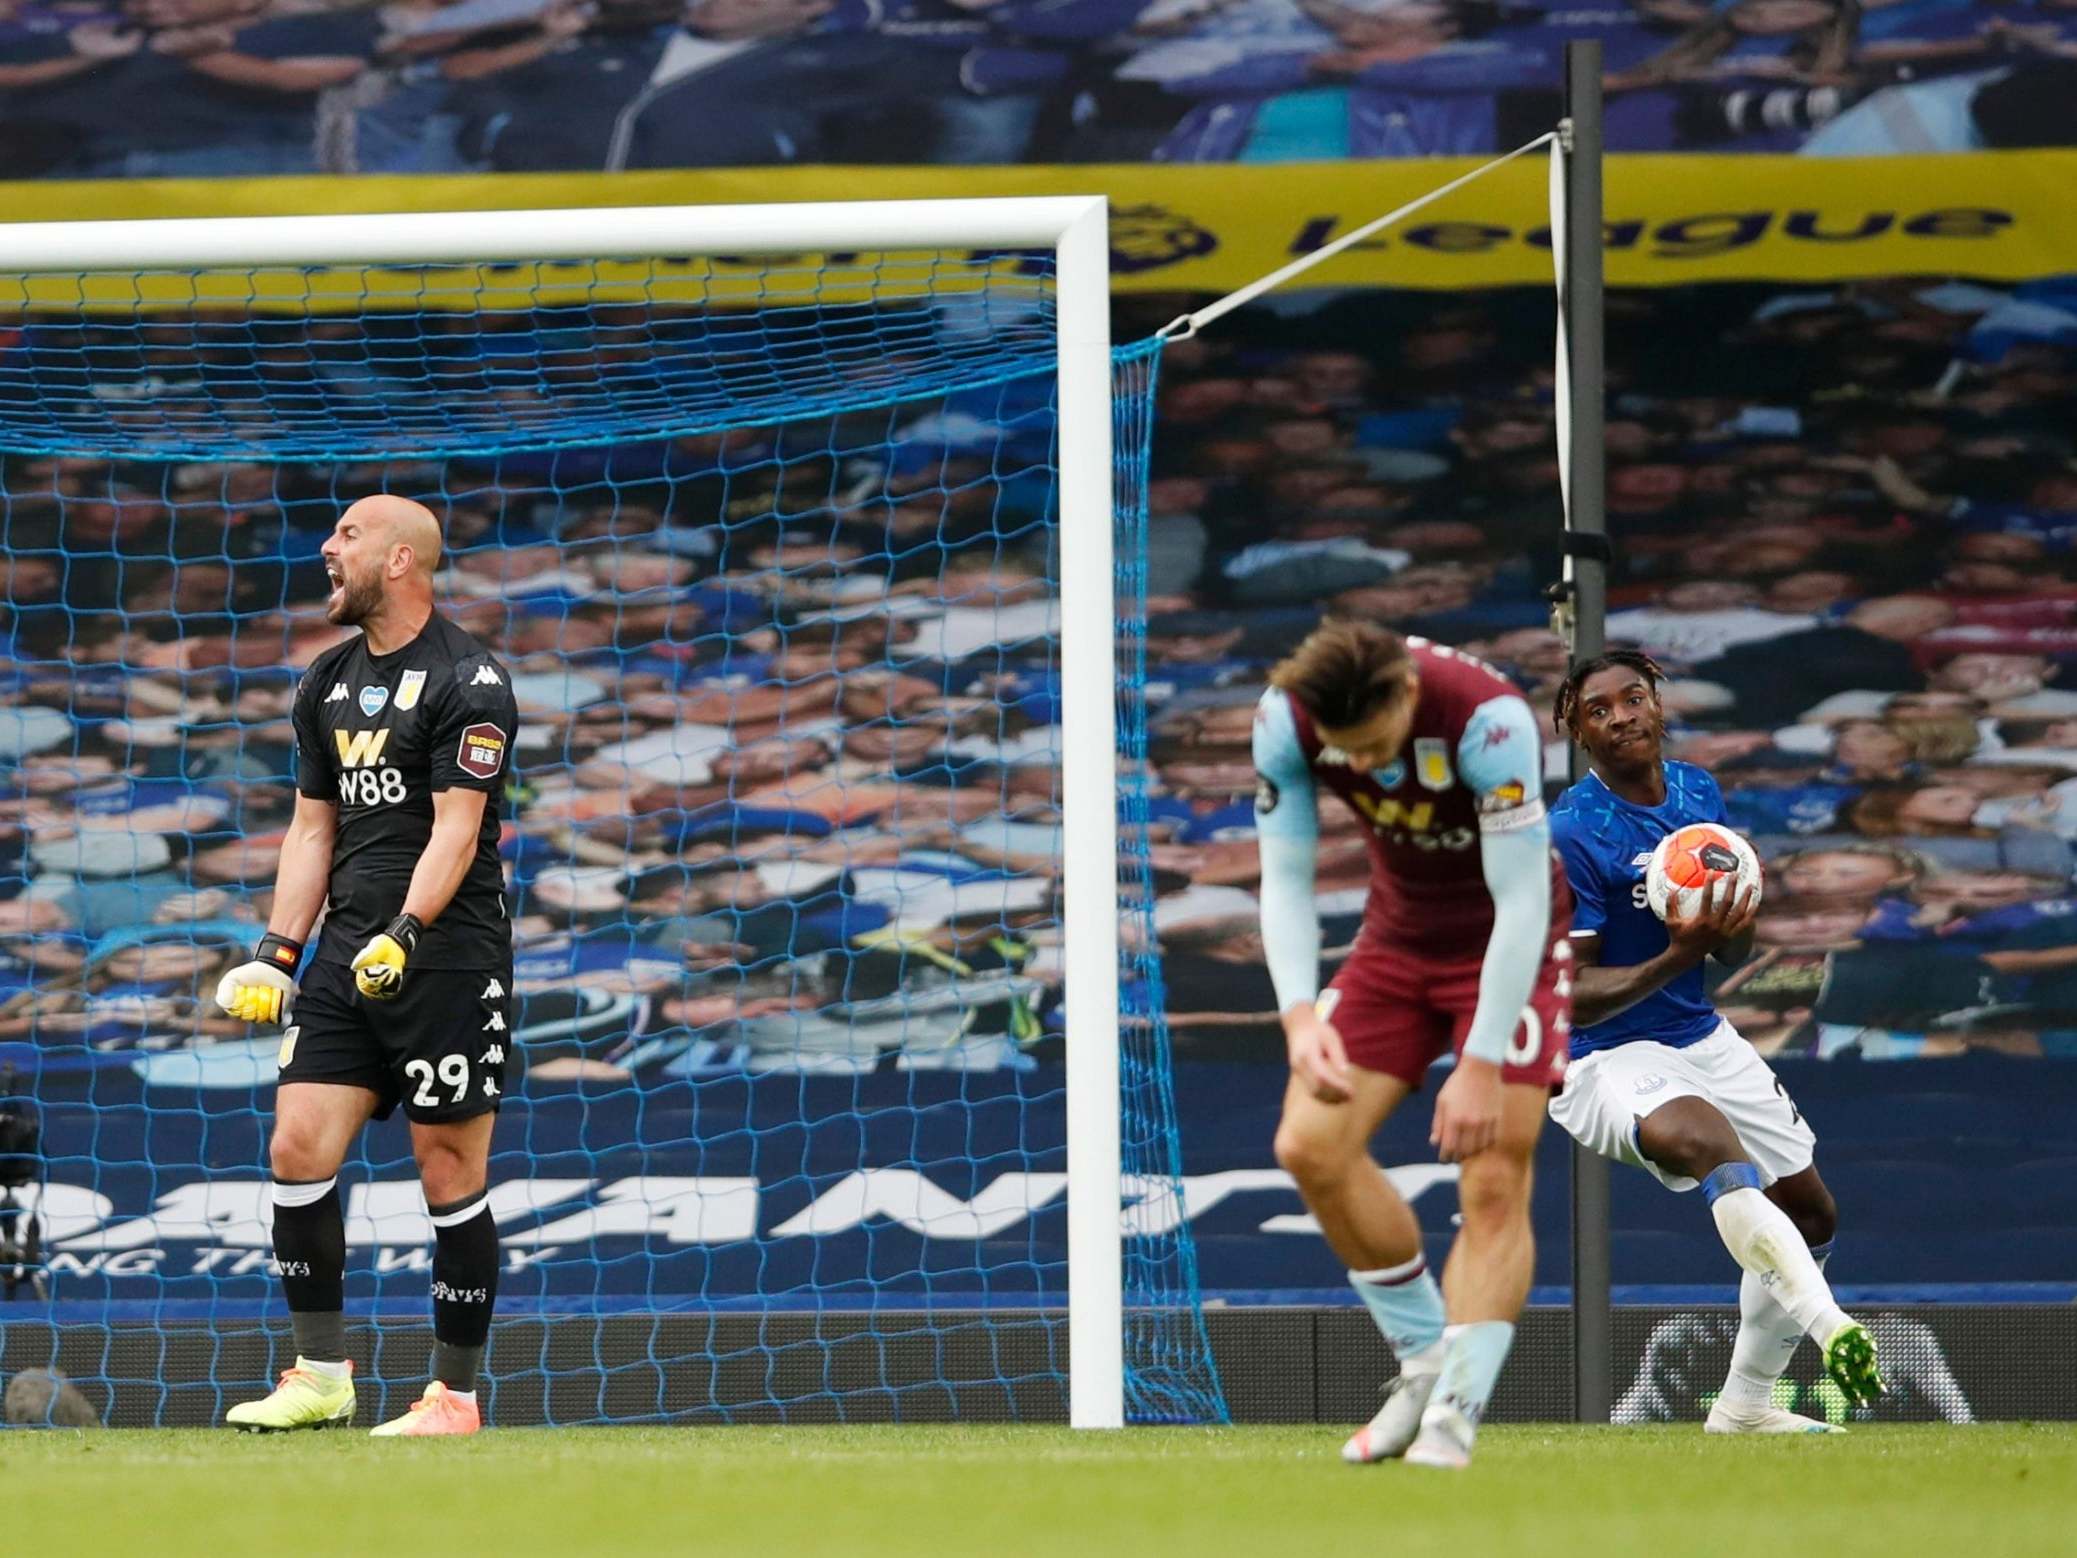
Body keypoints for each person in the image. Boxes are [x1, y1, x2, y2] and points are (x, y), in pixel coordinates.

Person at [214, 494, 521, 1437]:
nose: (325, 547)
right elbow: (313, 828)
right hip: (347, 952)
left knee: (446, 1169)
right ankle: (320, 1375)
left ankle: (454, 1400)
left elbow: (457, 830)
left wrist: (409, 930)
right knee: (295, 1149)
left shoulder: (470, 678)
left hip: (447, 955)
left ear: (399, 560)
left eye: (346, 535)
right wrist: (278, 950)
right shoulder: (324, 682)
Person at [1252, 620, 1572, 1468]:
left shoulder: (1489, 722)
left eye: (1373, 745)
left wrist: (1479, 1061)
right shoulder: (1285, 720)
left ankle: (1454, 1417)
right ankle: (1424, 1361)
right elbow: (1284, 873)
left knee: (1495, 1172)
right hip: (1393, 945)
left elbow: (1519, 903)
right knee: (1308, 1146)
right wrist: (1296, 1016)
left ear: (1403, 694)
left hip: (1511, 945)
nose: (1358, 767)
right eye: (1342, 752)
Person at [1545, 649, 1885, 1432]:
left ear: (1658, 704)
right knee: (1709, 1149)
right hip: (1600, 1056)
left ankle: (1744, 1407)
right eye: (1599, 709)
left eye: (1633, 698)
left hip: (1696, 1032)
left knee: (1811, 1214)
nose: (1622, 715)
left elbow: (1728, 947)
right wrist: (1678, 951)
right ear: (1578, 731)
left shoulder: (1698, 790)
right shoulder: (1571, 833)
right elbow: (1573, 999)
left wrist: (1724, 925)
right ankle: (1832, 1327)